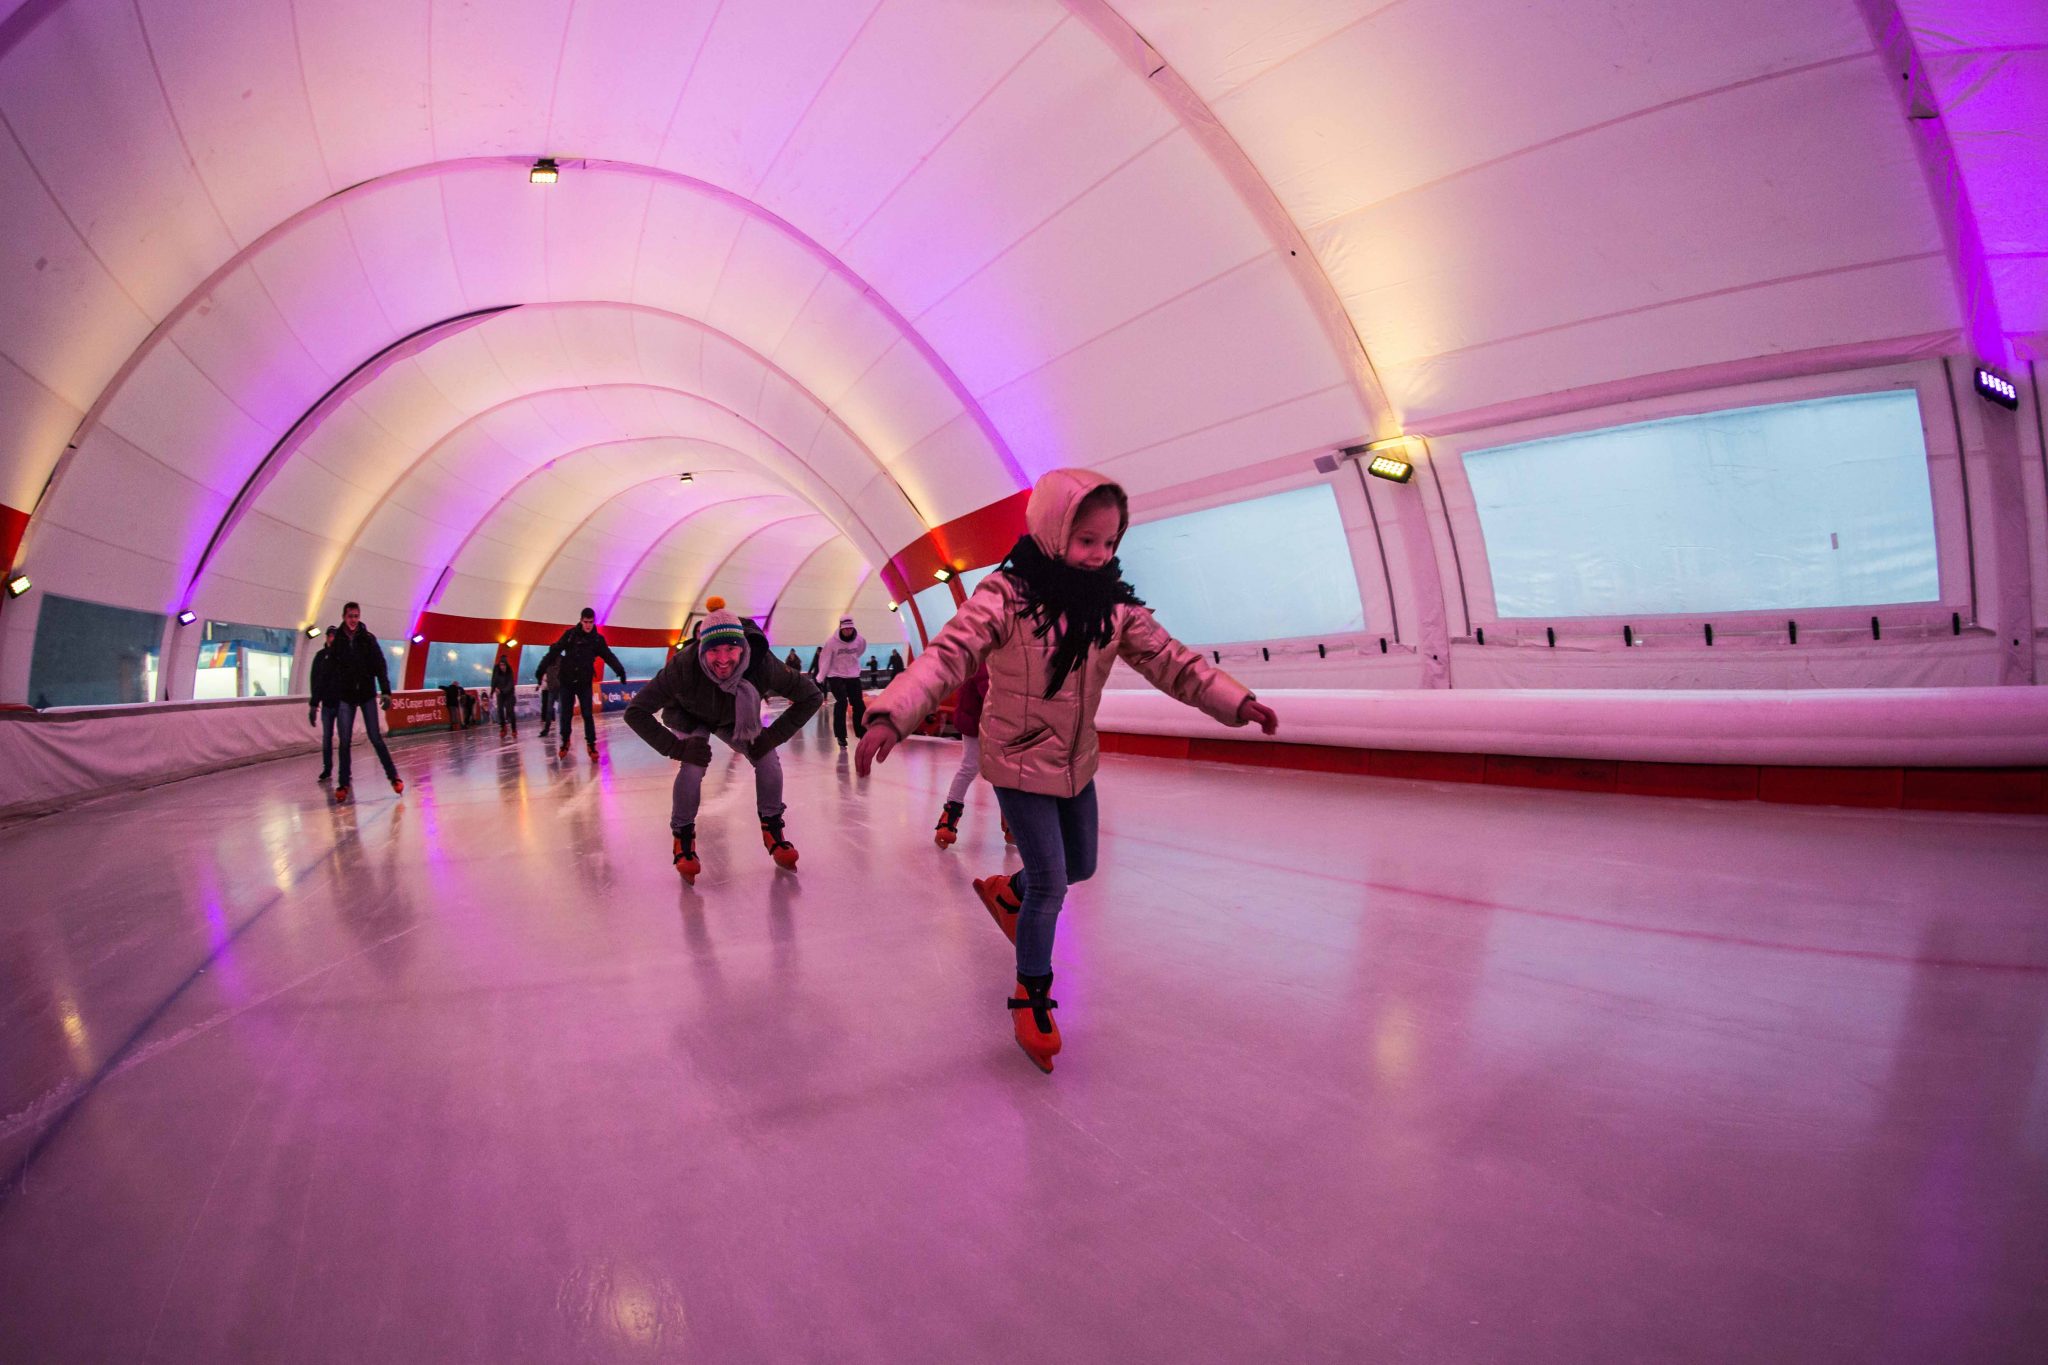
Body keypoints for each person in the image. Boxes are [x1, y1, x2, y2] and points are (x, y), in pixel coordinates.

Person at [857, 469, 1279, 1073]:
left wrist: (1236, 701)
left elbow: (1173, 662)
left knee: (1080, 865)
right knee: (1052, 882)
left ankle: (1009, 894)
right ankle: (1031, 993)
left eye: (1109, 542)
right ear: (1054, 530)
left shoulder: (1113, 607)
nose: (1099, 554)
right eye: (1086, 540)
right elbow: (948, 655)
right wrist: (892, 713)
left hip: (1076, 759)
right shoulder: (1006, 595)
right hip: (1017, 758)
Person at [625, 598, 824, 883]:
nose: (722, 659)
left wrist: (772, 736)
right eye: (713, 651)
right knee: (693, 767)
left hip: (734, 718)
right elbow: (636, 711)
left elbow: (811, 696)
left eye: (730, 649)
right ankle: (683, 838)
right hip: (689, 716)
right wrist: (677, 747)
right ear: (701, 650)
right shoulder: (683, 666)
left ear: (742, 647)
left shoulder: (762, 664)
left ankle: (773, 831)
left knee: (767, 760)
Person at [330, 601, 405, 804]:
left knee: (375, 737)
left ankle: (394, 777)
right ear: (344, 617)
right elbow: (332, 671)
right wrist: (329, 696)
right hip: (346, 696)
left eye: (356, 616)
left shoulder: (368, 639)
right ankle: (343, 783)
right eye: (350, 616)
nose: (353, 620)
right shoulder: (338, 641)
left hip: (366, 694)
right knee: (344, 741)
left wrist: (386, 692)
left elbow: (380, 665)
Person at [535, 607, 626, 759]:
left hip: (584, 682)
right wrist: (540, 670)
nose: (588, 625)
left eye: (591, 622)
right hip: (567, 681)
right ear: (581, 621)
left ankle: (591, 743)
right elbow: (554, 652)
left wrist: (620, 671)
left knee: (587, 714)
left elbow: (608, 656)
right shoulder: (570, 635)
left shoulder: (597, 640)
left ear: (593, 622)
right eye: (586, 622)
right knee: (566, 713)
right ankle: (565, 740)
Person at [932, 663, 990, 848]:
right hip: (976, 721)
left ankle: (1011, 821)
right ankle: (949, 816)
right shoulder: (984, 659)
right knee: (969, 767)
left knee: (1002, 771)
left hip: (989, 720)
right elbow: (989, 691)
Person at [815, 617, 868, 749]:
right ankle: (841, 736)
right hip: (835, 675)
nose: (848, 631)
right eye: (845, 629)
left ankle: (862, 732)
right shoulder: (831, 642)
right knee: (842, 702)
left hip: (853, 674)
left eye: (850, 628)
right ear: (841, 628)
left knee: (858, 703)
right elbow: (825, 659)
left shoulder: (860, 640)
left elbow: (860, 650)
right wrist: (820, 677)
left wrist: (851, 663)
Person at [308, 626, 341, 783]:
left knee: (344, 737)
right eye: (331, 636)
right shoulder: (320, 657)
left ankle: (344, 769)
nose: (332, 639)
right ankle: (327, 768)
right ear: (327, 637)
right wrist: (314, 704)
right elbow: (315, 681)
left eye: (335, 636)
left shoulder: (343, 656)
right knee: (327, 737)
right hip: (327, 704)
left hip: (342, 704)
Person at [491, 651, 519, 736]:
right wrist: (493, 690)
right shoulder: (496, 670)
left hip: (509, 693)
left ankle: (514, 729)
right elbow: (494, 680)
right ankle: (503, 727)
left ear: (506, 665)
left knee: (510, 710)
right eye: (501, 665)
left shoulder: (509, 671)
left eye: (503, 665)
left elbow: (510, 684)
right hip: (500, 693)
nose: (502, 667)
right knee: (500, 710)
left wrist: (503, 691)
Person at [537, 655, 559, 740]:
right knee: (548, 708)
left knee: (561, 709)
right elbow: (540, 673)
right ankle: (546, 728)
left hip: (559, 689)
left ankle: (565, 731)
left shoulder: (560, 661)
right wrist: (539, 683)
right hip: (550, 689)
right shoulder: (547, 663)